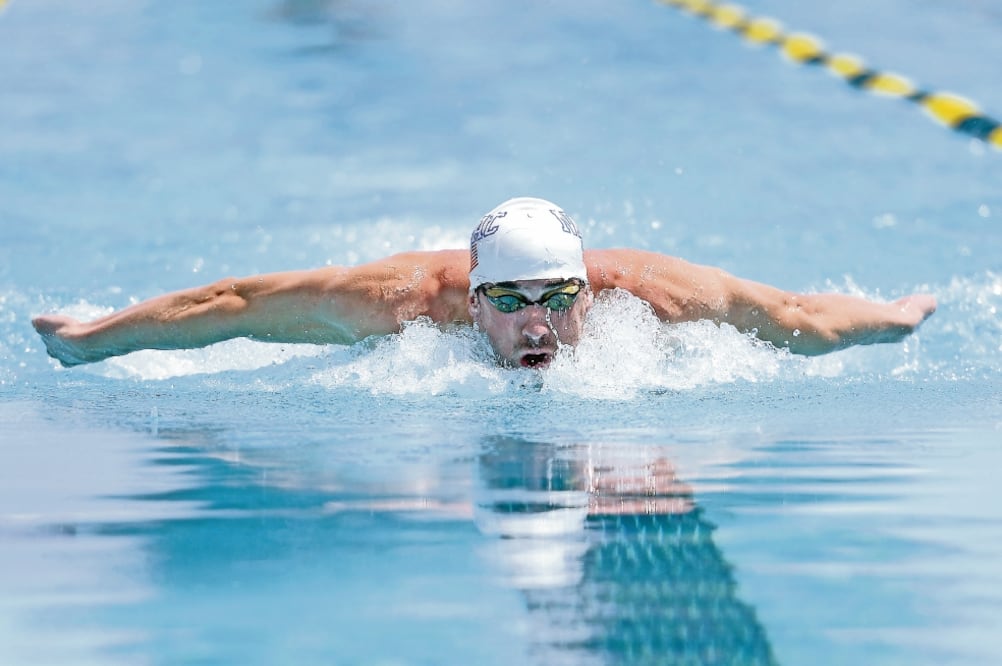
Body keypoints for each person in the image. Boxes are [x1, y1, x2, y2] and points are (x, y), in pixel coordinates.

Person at [32, 197, 937, 369]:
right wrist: (93, 340)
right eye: (508, 301)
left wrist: (891, 320)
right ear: (471, 303)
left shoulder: (650, 296)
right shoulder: (399, 304)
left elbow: (796, 315)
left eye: (557, 299)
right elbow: (232, 304)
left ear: (589, 293)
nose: (536, 324)